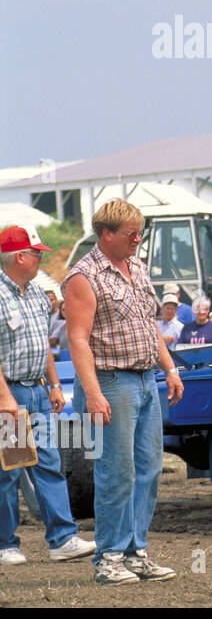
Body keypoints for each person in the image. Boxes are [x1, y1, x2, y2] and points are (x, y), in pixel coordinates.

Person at [63, 199, 183, 585]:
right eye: (131, 233)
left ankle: (135, 553)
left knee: (148, 468)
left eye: (140, 231)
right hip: (112, 382)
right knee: (117, 472)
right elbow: (78, 340)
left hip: (146, 379)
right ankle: (109, 557)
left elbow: (150, 325)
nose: (138, 239)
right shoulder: (83, 277)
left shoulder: (137, 268)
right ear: (106, 234)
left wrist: (170, 368)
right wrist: (93, 393)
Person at [0, 226, 97, 566]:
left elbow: (44, 346)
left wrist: (54, 384)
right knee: (10, 470)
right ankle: (5, 544)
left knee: (49, 464)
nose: (42, 257)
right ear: (20, 257)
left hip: (37, 391)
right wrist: (4, 397)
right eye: (37, 252)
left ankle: (63, 538)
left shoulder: (39, 295)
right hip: (10, 392)